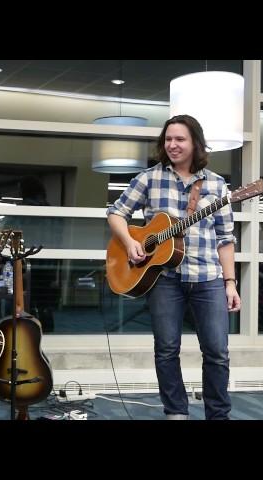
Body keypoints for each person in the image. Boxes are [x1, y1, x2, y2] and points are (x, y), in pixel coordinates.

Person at [107, 114, 240, 420]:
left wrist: (230, 282)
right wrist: (130, 243)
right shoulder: (148, 178)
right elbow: (116, 213)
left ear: (195, 143)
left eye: (180, 139)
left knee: (217, 353)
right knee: (166, 350)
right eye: (168, 139)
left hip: (207, 278)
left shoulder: (217, 184)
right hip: (163, 279)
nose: (172, 145)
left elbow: (225, 239)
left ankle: (218, 415)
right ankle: (176, 412)